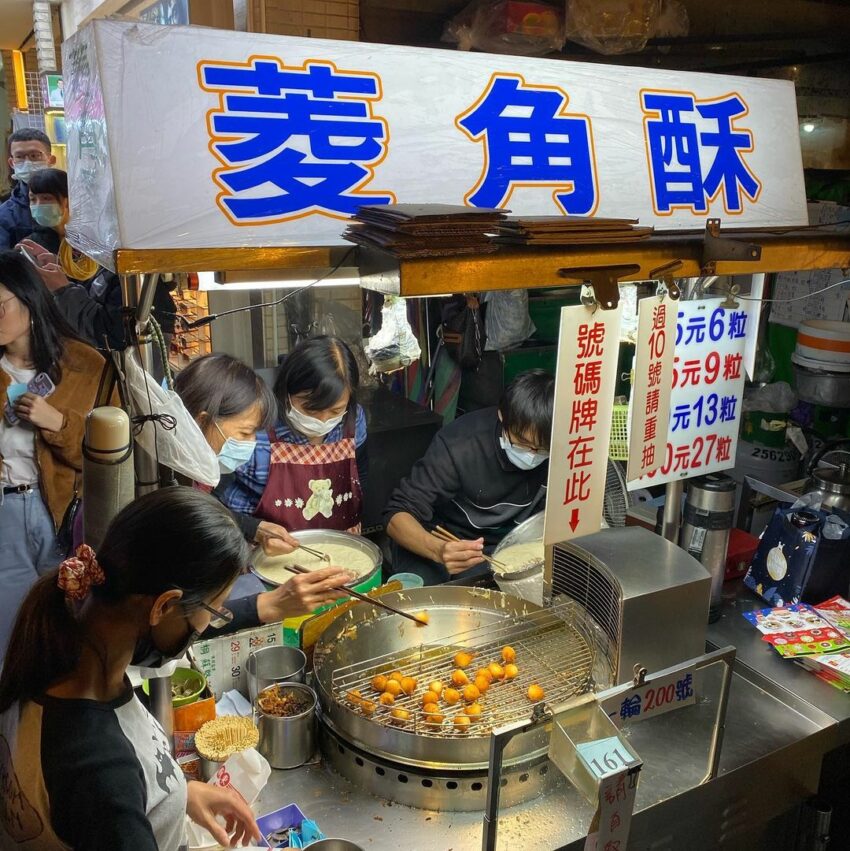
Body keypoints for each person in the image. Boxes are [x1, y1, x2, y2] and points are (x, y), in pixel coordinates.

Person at [0, 488, 261, 849]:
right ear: (164, 606)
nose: (206, 625)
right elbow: (103, 800)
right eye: (214, 611)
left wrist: (177, 796)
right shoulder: (101, 771)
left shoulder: (57, 654)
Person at [173, 353, 353, 629]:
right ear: (202, 421)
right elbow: (177, 621)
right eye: (246, 432)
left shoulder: (196, 477)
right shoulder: (170, 493)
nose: (251, 442)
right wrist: (269, 605)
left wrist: (254, 528)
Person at [0, 250, 106, 658]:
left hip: (62, 512)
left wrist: (57, 422)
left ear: (29, 298)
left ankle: (61, 713)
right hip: (6, 512)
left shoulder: (84, 365)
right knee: (9, 632)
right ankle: (15, 718)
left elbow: (104, 459)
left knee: (68, 623)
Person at [384, 369, 554, 585]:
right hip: (441, 537)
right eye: (521, 442)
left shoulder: (565, 447)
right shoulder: (461, 444)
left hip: (507, 546)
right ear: (502, 416)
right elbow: (396, 515)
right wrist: (438, 550)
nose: (531, 455)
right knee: (425, 599)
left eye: (540, 449)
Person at [222, 335, 368, 534]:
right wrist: (252, 529)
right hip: (259, 548)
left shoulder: (353, 420)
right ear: (286, 391)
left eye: (335, 411)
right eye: (311, 409)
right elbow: (209, 502)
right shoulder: (253, 429)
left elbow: (360, 474)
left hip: (335, 545)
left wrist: (357, 516)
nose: (322, 420)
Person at [25, 167, 100, 283]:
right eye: (33, 199)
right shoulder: (33, 246)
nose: (38, 205)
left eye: (46, 198)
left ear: (68, 200)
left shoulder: (92, 238)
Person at [0, 129, 55, 251]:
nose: (28, 162)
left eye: (35, 156)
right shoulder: (5, 216)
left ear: (51, 160)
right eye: (20, 157)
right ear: (12, 163)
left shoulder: (72, 201)